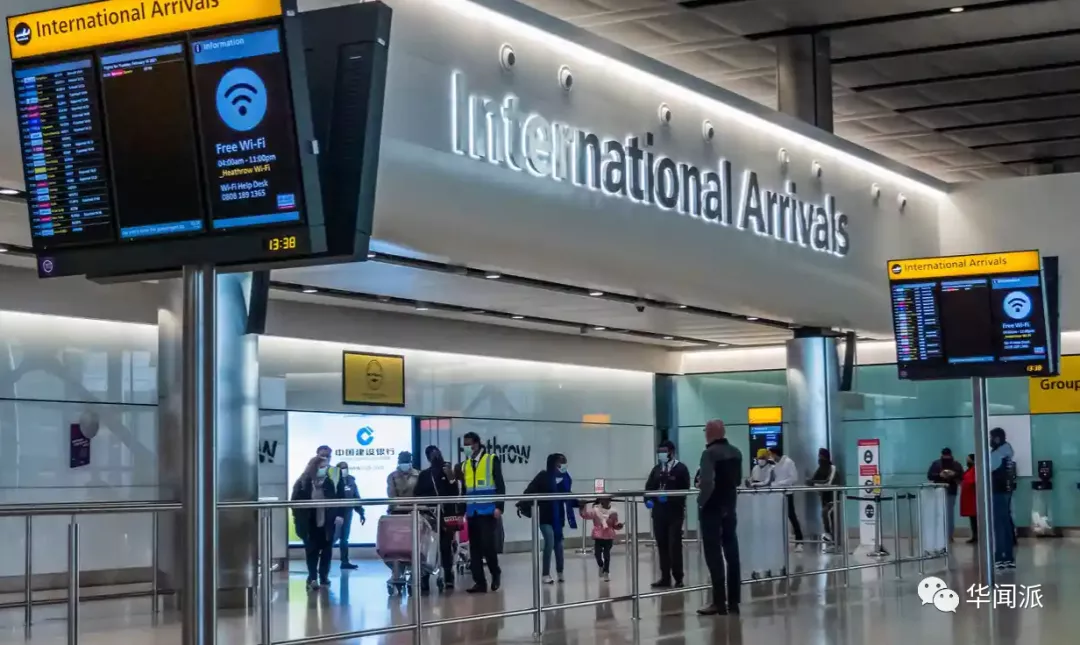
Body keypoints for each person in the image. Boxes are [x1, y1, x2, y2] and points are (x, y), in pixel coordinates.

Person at [696, 420, 742, 616]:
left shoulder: (709, 454)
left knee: (714, 555)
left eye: (706, 431)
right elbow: (737, 481)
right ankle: (734, 602)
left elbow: (707, 482)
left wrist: (701, 501)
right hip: (730, 507)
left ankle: (718, 602)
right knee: (732, 554)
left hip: (712, 509)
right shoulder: (736, 452)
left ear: (710, 433)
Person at [458, 431, 506, 593]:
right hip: (472, 511)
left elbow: (500, 485)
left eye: (469, 444)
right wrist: (461, 512)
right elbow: (464, 490)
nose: (466, 447)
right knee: (475, 549)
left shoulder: (491, 460)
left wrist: (499, 506)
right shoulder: (465, 465)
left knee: (488, 545)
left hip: (488, 510)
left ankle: (495, 572)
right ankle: (480, 582)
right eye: (464, 445)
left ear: (477, 444)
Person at [520, 453, 578, 584]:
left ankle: (560, 571)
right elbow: (529, 492)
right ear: (552, 464)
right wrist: (525, 504)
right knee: (550, 542)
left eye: (564, 462)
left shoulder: (566, 479)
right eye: (560, 463)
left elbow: (568, 496)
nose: (563, 465)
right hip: (545, 516)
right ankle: (545, 574)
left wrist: (578, 503)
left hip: (558, 517)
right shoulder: (543, 477)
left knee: (559, 545)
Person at [291, 455, 344, 590]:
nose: (324, 469)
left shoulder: (329, 482)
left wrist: (338, 515)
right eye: (321, 466)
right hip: (310, 523)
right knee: (312, 551)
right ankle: (313, 577)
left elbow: (337, 499)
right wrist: (300, 518)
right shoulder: (302, 482)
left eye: (325, 467)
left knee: (327, 551)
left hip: (327, 522)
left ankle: (324, 576)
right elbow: (294, 503)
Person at [645, 440, 691, 588]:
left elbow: (685, 490)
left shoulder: (681, 469)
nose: (662, 454)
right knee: (662, 545)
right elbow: (648, 488)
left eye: (664, 451)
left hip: (674, 513)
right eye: (659, 452)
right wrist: (649, 500)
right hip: (659, 513)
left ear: (672, 452)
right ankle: (665, 577)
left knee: (674, 544)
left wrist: (670, 497)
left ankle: (678, 577)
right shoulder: (657, 469)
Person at [414, 445, 461, 591]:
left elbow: (455, 493)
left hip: (447, 514)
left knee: (445, 546)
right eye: (432, 455)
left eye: (437, 454)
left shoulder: (448, 471)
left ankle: (448, 575)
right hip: (430, 516)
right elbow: (417, 495)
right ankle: (425, 577)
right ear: (428, 458)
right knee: (427, 548)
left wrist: (451, 479)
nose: (436, 457)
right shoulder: (424, 475)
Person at [386, 452, 420, 583]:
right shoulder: (392, 476)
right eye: (402, 461)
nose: (404, 464)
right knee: (397, 545)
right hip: (397, 514)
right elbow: (391, 495)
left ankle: (414, 571)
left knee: (413, 544)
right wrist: (397, 506)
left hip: (414, 513)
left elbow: (420, 494)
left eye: (407, 461)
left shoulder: (418, 475)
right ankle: (397, 572)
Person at [768, 446, 804, 552]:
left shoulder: (788, 462)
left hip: (787, 493)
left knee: (791, 516)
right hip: (777, 493)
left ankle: (800, 541)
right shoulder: (775, 465)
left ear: (775, 454)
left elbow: (794, 478)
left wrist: (779, 484)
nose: (770, 456)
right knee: (778, 517)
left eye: (771, 454)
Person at [989, 427, 1017, 569]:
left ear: (997, 438)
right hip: (1006, 490)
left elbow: (987, 469)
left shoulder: (997, 455)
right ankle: (1009, 557)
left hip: (997, 491)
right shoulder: (1007, 452)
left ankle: (1000, 557)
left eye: (991, 437)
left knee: (999, 525)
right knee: (1006, 524)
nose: (990, 440)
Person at [580, 497, 623, 582]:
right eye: (603, 499)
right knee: (597, 554)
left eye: (607, 499)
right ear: (600, 501)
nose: (605, 501)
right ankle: (601, 565)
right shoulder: (596, 510)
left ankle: (606, 572)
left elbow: (615, 524)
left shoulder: (613, 512)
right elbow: (585, 515)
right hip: (598, 536)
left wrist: (618, 525)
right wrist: (582, 506)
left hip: (609, 536)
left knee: (607, 555)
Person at [927, 447, 963, 541]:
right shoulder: (939, 464)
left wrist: (953, 474)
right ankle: (943, 534)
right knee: (942, 513)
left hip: (949, 490)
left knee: (948, 514)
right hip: (941, 490)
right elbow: (930, 476)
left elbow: (961, 476)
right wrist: (939, 475)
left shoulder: (953, 464)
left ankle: (948, 535)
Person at [335, 461, 365, 569]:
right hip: (334, 514)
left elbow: (356, 497)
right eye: (342, 468)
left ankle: (344, 561)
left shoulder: (351, 481)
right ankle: (321, 563)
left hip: (347, 513)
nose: (344, 470)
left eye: (345, 468)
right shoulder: (333, 481)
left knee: (344, 539)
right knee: (330, 539)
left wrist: (361, 512)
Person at [809, 448, 839, 542]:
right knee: (825, 514)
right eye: (819, 457)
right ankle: (829, 535)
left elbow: (828, 482)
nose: (820, 459)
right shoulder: (820, 469)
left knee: (826, 513)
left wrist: (815, 484)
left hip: (834, 498)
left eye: (822, 457)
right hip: (825, 498)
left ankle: (832, 536)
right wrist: (814, 483)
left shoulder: (832, 468)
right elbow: (812, 480)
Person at [960, 453, 977, 544]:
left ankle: (977, 536)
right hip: (969, 497)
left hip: (973, 497)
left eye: (968, 460)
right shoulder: (969, 470)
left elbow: (972, 481)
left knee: (975, 518)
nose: (967, 461)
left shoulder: (975, 470)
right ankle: (974, 535)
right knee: (972, 518)